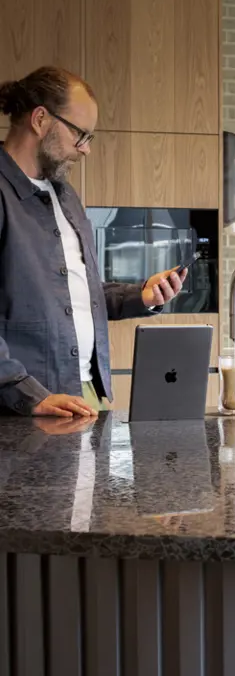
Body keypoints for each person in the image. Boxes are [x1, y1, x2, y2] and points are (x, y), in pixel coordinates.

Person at [0, 66, 187, 417]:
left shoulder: (64, 195)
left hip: (84, 393)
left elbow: (72, 293)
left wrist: (139, 296)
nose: (85, 150)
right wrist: (26, 393)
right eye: (79, 134)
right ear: (40, 119)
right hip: (25, 407)